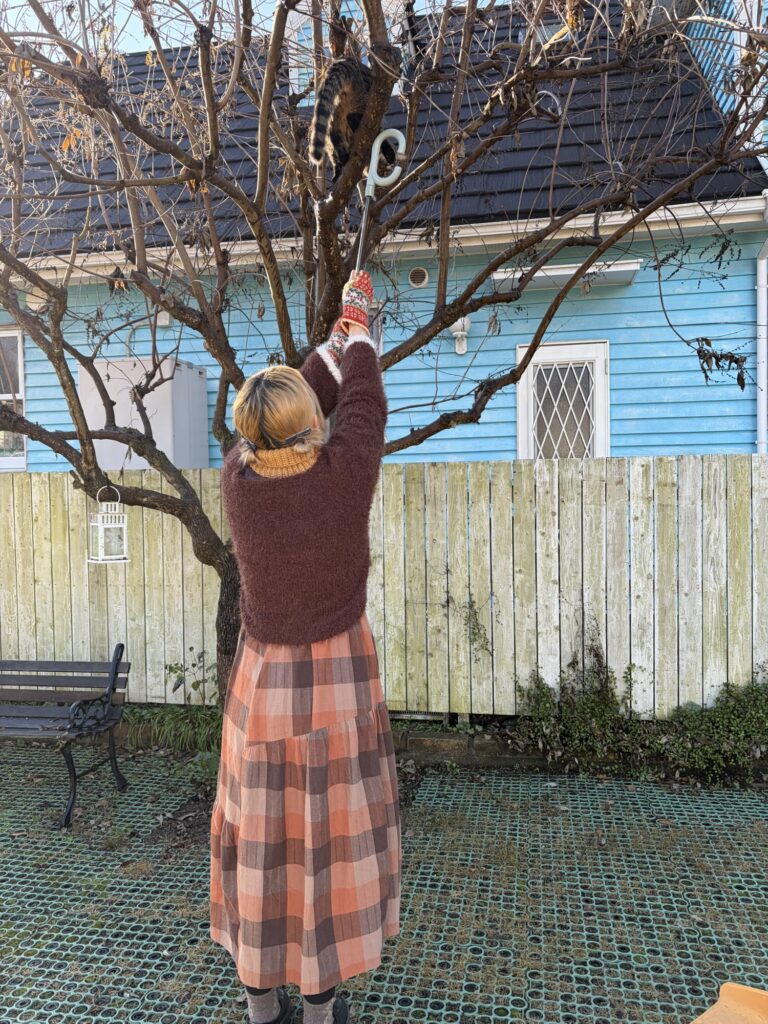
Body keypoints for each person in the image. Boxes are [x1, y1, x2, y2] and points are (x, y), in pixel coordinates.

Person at [210, 271, 401, 1024]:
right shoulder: (344, 478)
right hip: (335, 683)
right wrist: (358, 336)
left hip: (261, 690)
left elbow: (320, 405)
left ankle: (264, 1012)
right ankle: (320, 1015)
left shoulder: (238, 477)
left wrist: (334, 341)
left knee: (262, 846)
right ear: (308, 430)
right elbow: (364, 401)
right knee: (323, 852)